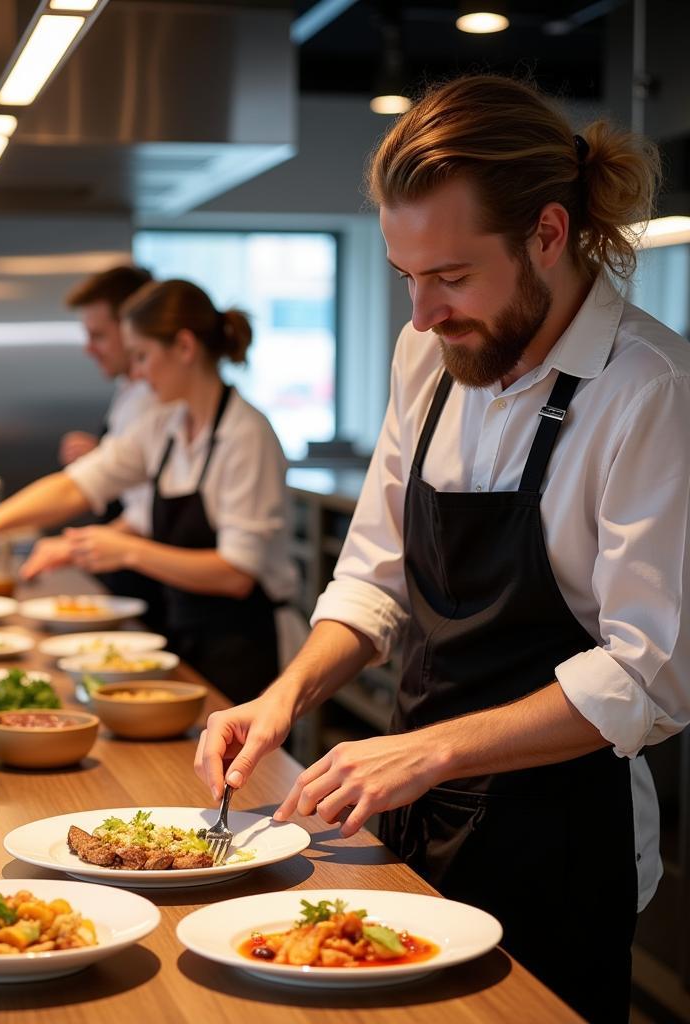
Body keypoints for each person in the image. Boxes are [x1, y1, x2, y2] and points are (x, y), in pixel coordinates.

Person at [194, 75, 690, 1024]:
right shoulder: (429, 358)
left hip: (561, 845)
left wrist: (429, 750)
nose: (421, 314)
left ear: (549, 234)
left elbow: (652, 675)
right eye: (406, 277)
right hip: (408, 818)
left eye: (452, 277)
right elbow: (373, 576)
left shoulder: (650, 390)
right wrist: (282, 696)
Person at [0, 279, 306, 704]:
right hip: (186, 639)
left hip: (247, 650)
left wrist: (127, 550)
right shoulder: (166, 426)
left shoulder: (246, 435)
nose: (135, 373)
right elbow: (79, 483)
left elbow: (236, 574)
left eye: (142, 356)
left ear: (185, 348)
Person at [53, 264, 164, 629]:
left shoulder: (160, 401)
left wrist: (72, 548)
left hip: (158, 594)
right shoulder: (130, 393)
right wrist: (98, 452)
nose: (89, 349)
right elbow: (117, 470)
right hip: (135, 586)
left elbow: (144, 516)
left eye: (98, 336)